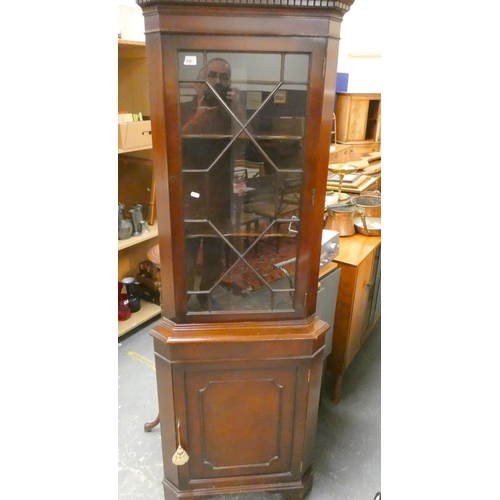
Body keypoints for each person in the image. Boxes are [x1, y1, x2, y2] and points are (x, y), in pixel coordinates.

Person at [181, 58, 247, 311]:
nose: (218, 82)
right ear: (199, 82)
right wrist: (197, 115)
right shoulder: (183, 108)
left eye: (224, 77)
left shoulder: (231, 113)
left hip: (221, 196)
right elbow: (174, 148)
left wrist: (238, 109)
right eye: (212, 76)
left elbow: (244, 145)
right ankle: (182, 301)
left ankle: (205, 294)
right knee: (187, 256)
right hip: (190, 196)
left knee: (214, 258)